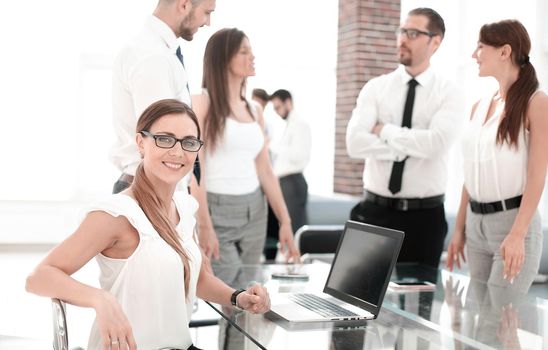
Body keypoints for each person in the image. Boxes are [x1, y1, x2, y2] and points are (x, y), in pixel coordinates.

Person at [26, 99, 271, 350]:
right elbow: (38, 277)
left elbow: (196, 280)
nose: (177, 152)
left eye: (188, 142)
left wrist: (237, 297)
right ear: (141, 143)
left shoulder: (184, 206)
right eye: (165, 139)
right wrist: (100, 299)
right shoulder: (116, 214)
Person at [346, 7, 464, 268]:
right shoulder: (376, 88)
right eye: (401, 31)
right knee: (358, 298)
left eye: (412, 33)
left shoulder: (449, 93)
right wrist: (404, 149)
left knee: (419, 303)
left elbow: (436, 144)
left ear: (435, 42)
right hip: (373, 213)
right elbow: (354, 143)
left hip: (424, 219)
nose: (402, 39)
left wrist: (384, 131)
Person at [446, 19, 547, 294]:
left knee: (502, 320)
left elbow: (538, 176)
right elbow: (470, 173)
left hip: (512, 223)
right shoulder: (479, 107)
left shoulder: (536, 102)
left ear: (504, 52)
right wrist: (459, 229)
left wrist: (517, 234)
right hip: (475, 224)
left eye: (480, 47)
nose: (473, 55)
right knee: (476, 324)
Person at [192, 28, 300, 282]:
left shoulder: (254, 110)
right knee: (230, 294)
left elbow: (265, 171)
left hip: (255, 211)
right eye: (244, 51)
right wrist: (204, 224)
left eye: (251, 51)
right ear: (223, 58)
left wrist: (285, 221)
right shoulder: (202, 103)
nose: (252, 56)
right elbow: (196, 170)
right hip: (217, 211)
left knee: (251, 292)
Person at [110, 0, 216, 194]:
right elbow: (161, 142)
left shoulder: (157, 51)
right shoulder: (153, 57)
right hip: (151, 190)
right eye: (207, 12)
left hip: (152, 187)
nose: (207, 22)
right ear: (184, 5)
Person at [269, 89, 311, 233]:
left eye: (278, 107)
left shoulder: (300, 124)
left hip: (293, 183)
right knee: (287, 229)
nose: (276, 112)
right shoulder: (290, 125)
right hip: (286, 183)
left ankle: (297, 256)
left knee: (294, 230)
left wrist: (273, 145)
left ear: (288, 102)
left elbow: (300, 155)